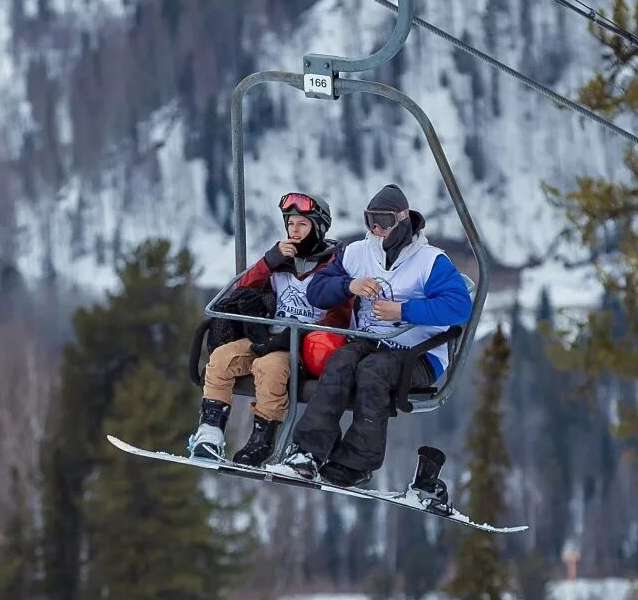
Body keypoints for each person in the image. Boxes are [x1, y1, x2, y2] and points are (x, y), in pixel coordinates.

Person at [284, 184, 473, 489]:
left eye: (383, 221)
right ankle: (308, 451)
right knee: (341, 361)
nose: (376, 228)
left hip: (417, 355)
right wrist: (349, 286)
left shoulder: (430, 261)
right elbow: (317, 290)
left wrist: (404, 310)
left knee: (373, 372)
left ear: (401, 220)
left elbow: (459, 307)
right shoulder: (359, 253)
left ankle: (358, 462)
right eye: (371, 219)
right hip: (368, 342)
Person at [189, 192, 351, 466]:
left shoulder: (334, 267)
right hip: (267, 334)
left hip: (303, 345)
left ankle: (261, 440)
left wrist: (301, 333)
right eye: (290, 225)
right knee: (222, 358)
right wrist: (268, 262)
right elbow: (241, 292)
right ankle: (210, 432)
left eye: (302, 224)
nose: (295, 230)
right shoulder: (279, 263)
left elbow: (341, 316)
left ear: (318, 227)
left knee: (270, 369)